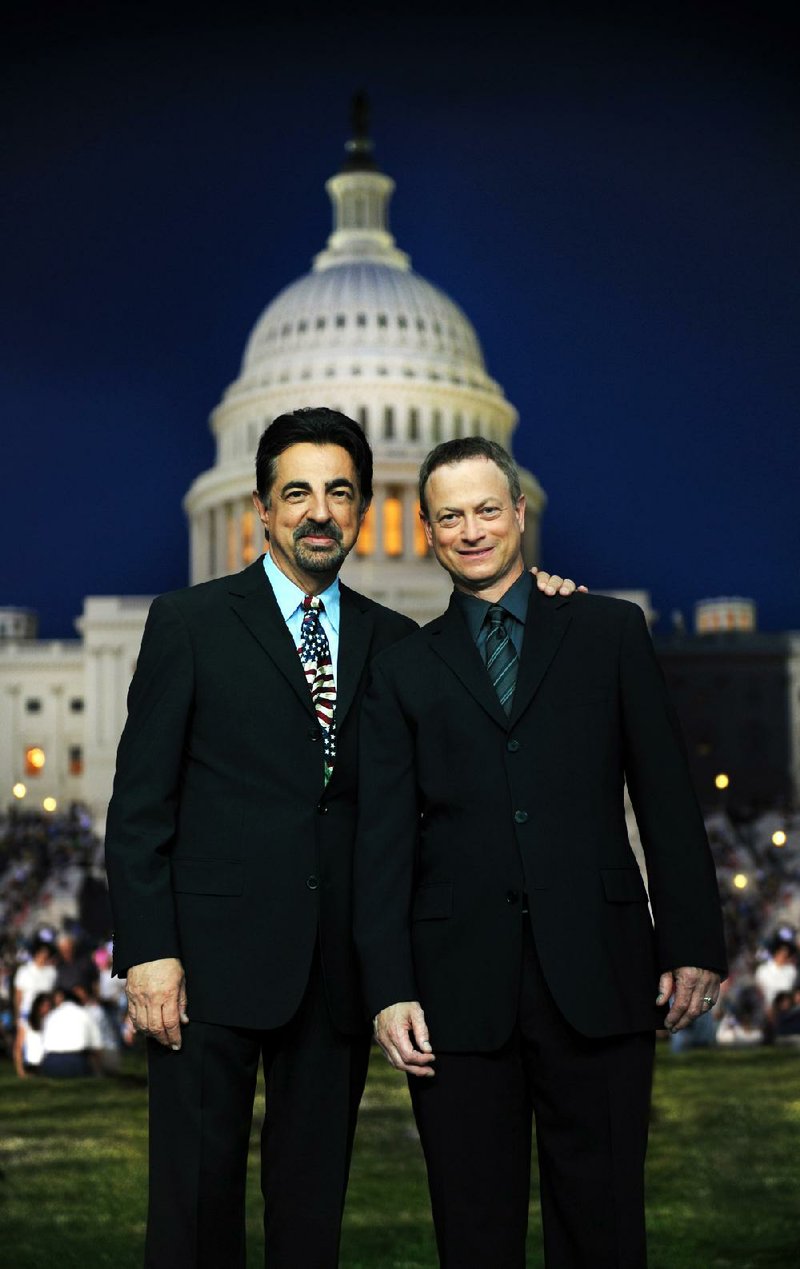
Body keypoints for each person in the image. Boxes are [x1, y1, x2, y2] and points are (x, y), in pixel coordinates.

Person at [104, 408, 577, 1269]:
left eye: (338, 493)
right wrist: (147, 951)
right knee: (193, 1202)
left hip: (334, 975)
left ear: (363, 507)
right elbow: (139, 804)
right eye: (298, 493)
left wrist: (544, 607)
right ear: (261, 507)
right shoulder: (190, 621)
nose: (319, 511)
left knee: (311, 1207)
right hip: (203, 968)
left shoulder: (398, 643)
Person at [354, 436, 728, 1269]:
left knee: (603, 1226)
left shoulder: (608, 630)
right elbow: (381, 841)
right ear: (423, 529)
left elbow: (665, 795)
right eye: (450, 516)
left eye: (488, 508)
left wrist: (694, 938)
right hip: (457, 989)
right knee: (473, 1231)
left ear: (520, 513)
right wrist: (388, 987)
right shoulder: (404, 669)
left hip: (598, 967)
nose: (472, 529)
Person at [13, 936, 57, 1078]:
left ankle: (41, 1068)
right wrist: (18, 1013)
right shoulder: (24, 971)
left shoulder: (51, 972)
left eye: (46, 954)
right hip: (27, 1012)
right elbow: (18, 995)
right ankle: (21, 1071)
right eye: (41, 954)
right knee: (21, 1041)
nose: (43, 957)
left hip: (45, 1013)